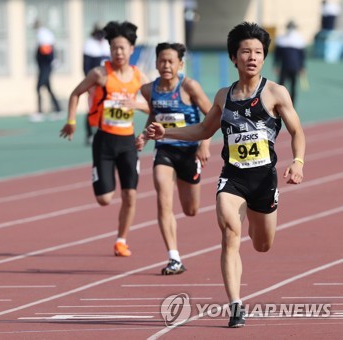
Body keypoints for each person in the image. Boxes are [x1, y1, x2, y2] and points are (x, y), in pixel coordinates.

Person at [145, 22, 305, 328]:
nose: (252, 57)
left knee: (262, 244)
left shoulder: (275, 92)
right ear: (234, 57)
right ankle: (235, 305)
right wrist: (167, 132)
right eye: (246, 51)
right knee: (229, 235)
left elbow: (297, 131)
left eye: (258, 52)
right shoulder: (223, 96)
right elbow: (204, 130)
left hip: (263, 180)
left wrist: (297, 161)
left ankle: (256, 222)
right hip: (232, 179)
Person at [60, 21, 150, 257]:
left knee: (130, 194)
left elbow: (156, 106)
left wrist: (137, 104)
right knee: (104, 199)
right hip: (105, 142)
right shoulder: (99, 74)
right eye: (114, 48)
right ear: (109, 50)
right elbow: (75, 94)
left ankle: (121, 240)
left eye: (123, 48)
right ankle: (100, 177)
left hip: (128, 142)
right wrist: (70, 122)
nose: (118, 52)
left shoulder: (140, 77)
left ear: (132, 49)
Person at [135, 42, 212, 275]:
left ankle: (186, 187)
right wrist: (144, 137)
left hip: (189, 151)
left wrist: (204, 145)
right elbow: (154, 116)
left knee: (191, 210)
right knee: (163, 198)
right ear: (156, 63)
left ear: (180, 64)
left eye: (171, 61)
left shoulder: (189, 86)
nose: (166, 65)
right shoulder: (149, 89)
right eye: (162, 61)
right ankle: (174, 258)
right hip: (164, 150)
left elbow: (212, 116)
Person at [83, 23, 110, 145]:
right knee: (92, 107)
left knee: (107, 107)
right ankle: (89, 134)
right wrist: (90, 84)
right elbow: (86, 67)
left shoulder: (106, 44)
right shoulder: (89, 45)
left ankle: (105, 131)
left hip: (108, 82)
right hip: (94, 83)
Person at [30, 20, 62, 123]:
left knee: (39, 86)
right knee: (48, 88)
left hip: (46, 66)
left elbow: (47, 50)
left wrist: (52, 59)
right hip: (43, 66)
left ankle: (40, 112)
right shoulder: (41, 34)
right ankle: (58, 109)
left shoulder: (43, 34)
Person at [274, 21, 306, 106]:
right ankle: (278, 102)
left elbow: (302, 55)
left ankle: (292, 104)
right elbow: (277, 55)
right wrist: (276, 65)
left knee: (293, 86)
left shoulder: (299, 39)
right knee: (280, 86)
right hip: (284, 67)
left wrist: (302, 67)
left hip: (294, 67)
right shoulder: (281, 39)